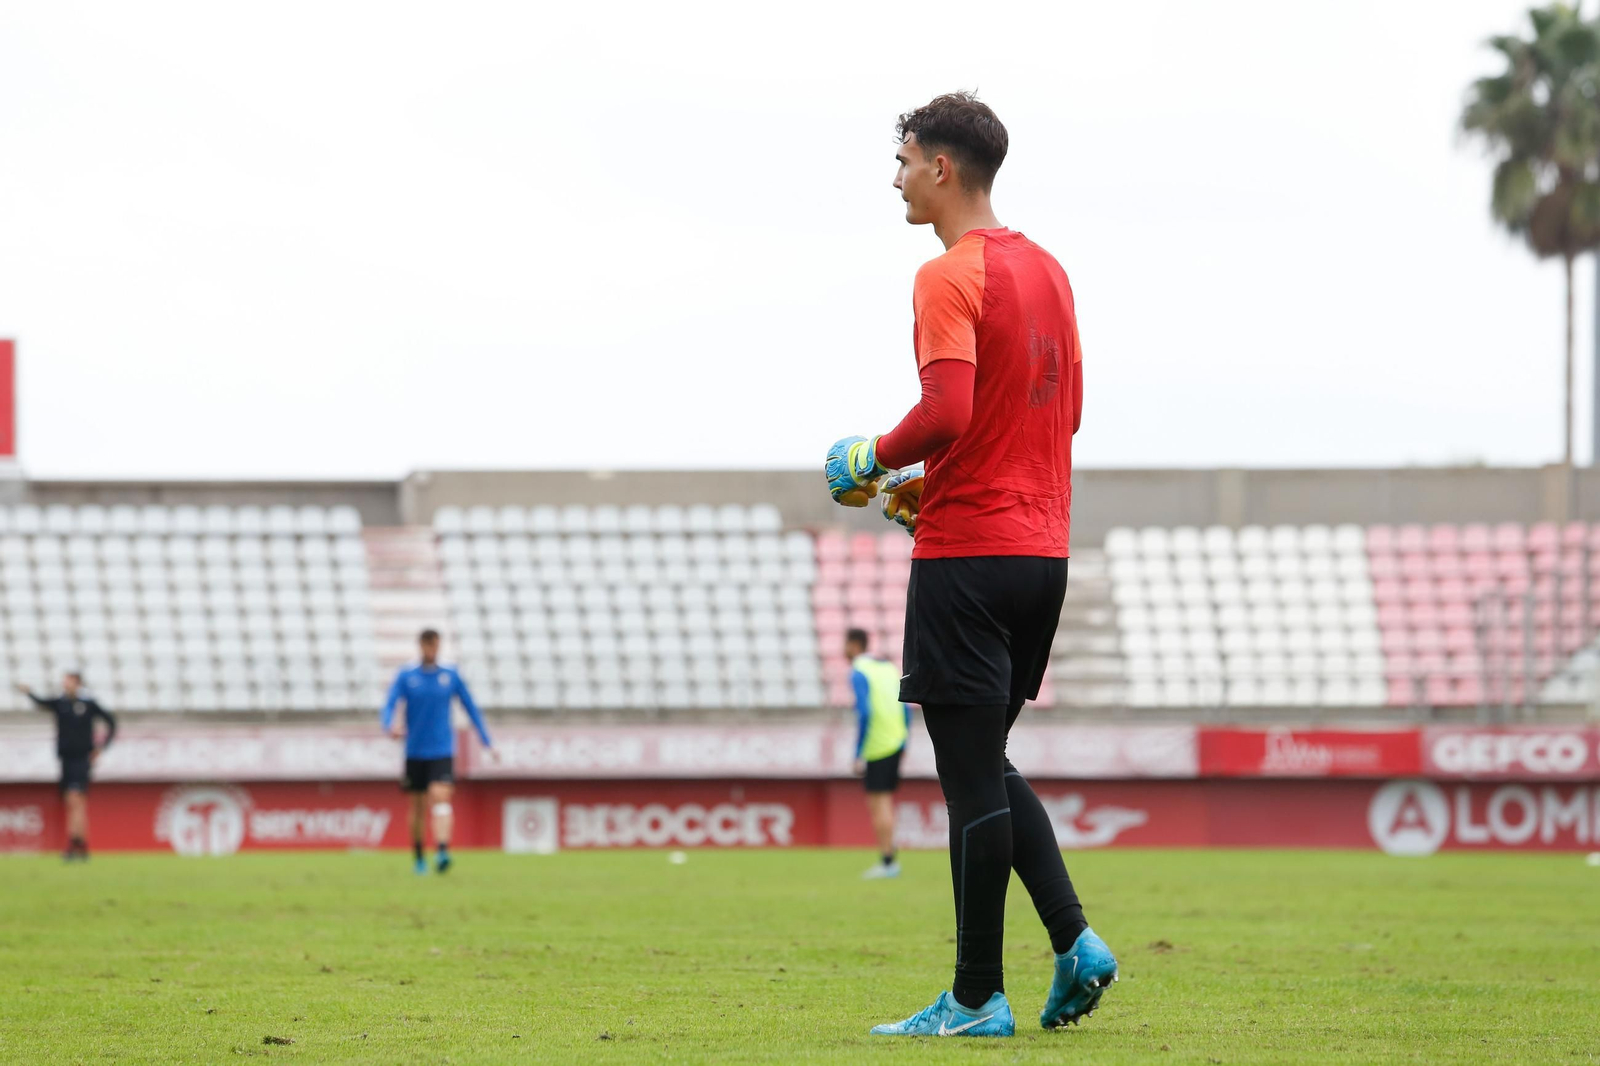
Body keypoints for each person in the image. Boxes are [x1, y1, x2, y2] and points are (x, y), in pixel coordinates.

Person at [824, 92, 1116, 1038]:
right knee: (984, 763)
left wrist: (876, 456)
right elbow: (1060, 416)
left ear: (943, 168)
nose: (897, 177)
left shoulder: (947, 275)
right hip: (1043, 552)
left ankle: (977, 996)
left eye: (904, 159)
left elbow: (947, 411)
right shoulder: (1053, 272)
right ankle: (1075, 943)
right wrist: (943, 482)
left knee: (966, 780)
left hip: (970, 553)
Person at [381, 629, 491, 875]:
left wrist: (485, 738)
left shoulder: (450, 676)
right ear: (420, 646)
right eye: (427, 645)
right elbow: (389, 704)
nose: (431, 650)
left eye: (435, 645)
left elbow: (470, 706)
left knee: (440, 797)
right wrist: (389, 725)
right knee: (418, 807)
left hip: (442, 750)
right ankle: (419, 856)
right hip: (415, 752)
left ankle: (442, 850)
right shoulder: (407, 676)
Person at [16, 672, 117, 861]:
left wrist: (101, 748)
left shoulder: (88, 704)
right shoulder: (60, 703)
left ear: (77, 683)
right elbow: (42, 702)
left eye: (68, 681)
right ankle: (81, 845)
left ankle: (75, 843)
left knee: (75, 800)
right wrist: (29, 693)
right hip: (66, 760)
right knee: (75, 804)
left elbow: (111, 722)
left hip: (81, 760)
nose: (65, 684)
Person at [845, 627, 910, 880]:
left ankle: (887, 861)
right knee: (886, 803)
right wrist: (904, 741)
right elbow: (905, 709)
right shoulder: (887, 668)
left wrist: (858, 751)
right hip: (895, 740)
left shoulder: (859, 671)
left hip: (877, 744)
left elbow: (864, 712)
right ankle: (889, 856)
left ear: (853, 645)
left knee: (879, 803)